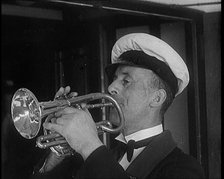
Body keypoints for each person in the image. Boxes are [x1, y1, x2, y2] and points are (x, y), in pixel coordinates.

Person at [31, 33, 205, 179]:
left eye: (126, 81)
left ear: (157, 98)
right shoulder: (104, 157)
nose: (111, 87)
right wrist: (58, 149)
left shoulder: (184, 169)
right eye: (115, 79)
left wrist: (89, 145)